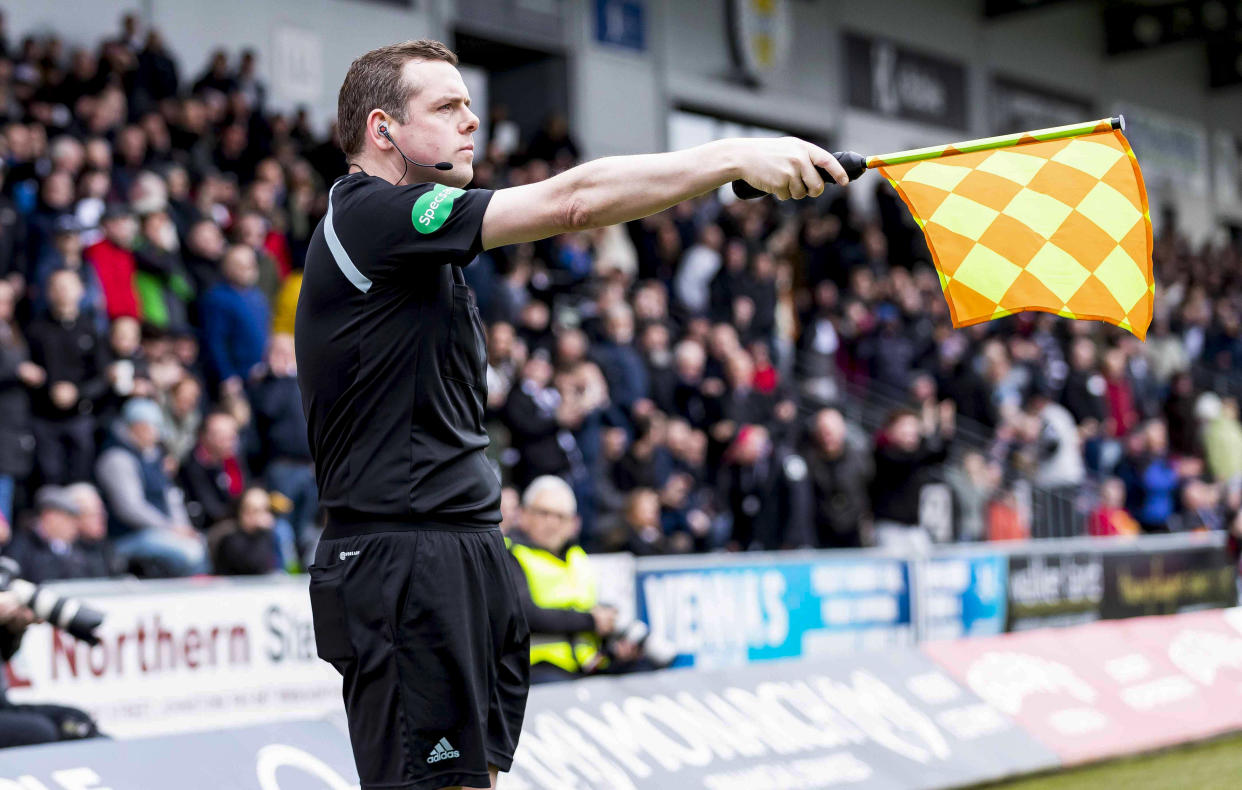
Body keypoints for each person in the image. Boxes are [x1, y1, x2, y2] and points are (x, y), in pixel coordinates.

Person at [296, 39, 847, 790]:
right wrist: (731, 156)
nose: (472, 121)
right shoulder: (370, 215)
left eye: (469, 103)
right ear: (383, 129)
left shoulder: (420, 245)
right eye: (448, 106)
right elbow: (573, 201)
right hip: (403, 562)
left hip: (464, 549)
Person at [506, 476, 636, 684]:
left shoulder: (578, 558)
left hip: (588, 665)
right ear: (523, 515)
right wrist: (591, 621)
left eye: (561, 516)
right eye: (543, 513)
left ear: (574, 523)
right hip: (536, 669)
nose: (552, 522)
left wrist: (612, 637)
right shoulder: (511, 554)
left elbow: (592, 606)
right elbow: (524, 614)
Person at [94, 397, 208, 576]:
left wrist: (182, 527)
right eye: (154, 427)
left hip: (161, 531)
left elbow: (171, 496)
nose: (158, 434)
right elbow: (130, 508)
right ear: (138, 426)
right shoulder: (117, 458)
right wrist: (170, 528)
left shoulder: (153, 456)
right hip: (128, 536)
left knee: (201, 544)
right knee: (189, 554)